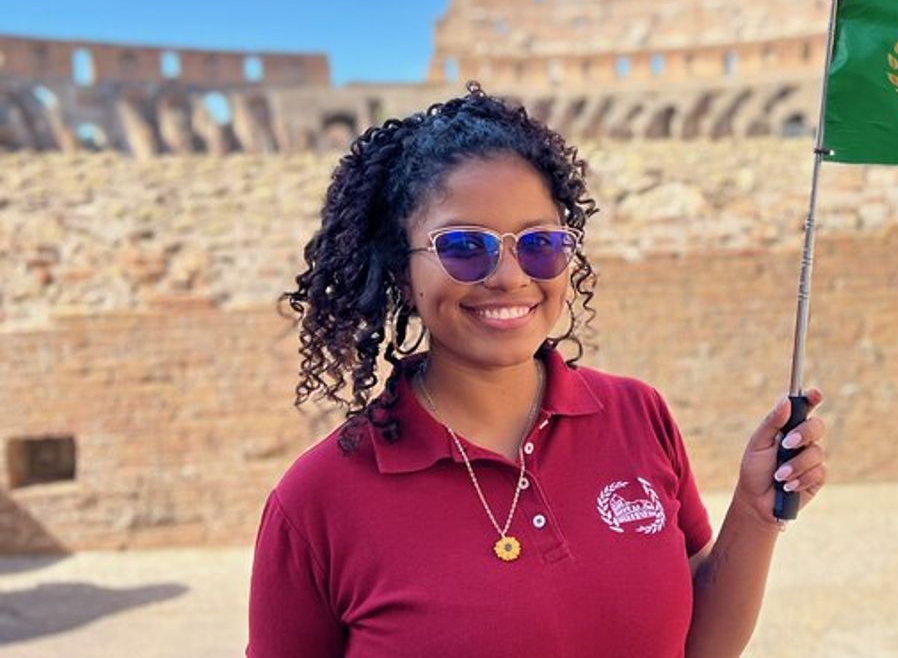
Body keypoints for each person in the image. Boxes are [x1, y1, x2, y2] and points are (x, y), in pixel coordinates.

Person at [247, 83, 827, 657]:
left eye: (540, 244)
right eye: (465, 246)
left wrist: (754, 514)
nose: (509, 276)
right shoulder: (319, 500)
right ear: (401, 270)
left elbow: (701, 647)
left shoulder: (636, 415)